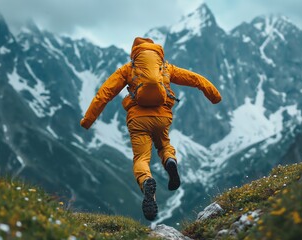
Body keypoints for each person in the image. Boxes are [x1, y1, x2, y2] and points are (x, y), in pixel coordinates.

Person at [80, 37, 221, 221]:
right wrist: (215, 96)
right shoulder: (166, 67)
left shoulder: (128, 69)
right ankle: (170, 160)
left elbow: (104, 94)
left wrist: (87, 121)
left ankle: (147, 181)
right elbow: (195, 79)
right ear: (156, 52)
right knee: (163, 145)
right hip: (162, 118)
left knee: (141, 159)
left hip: (138, 120)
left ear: (135, 52)